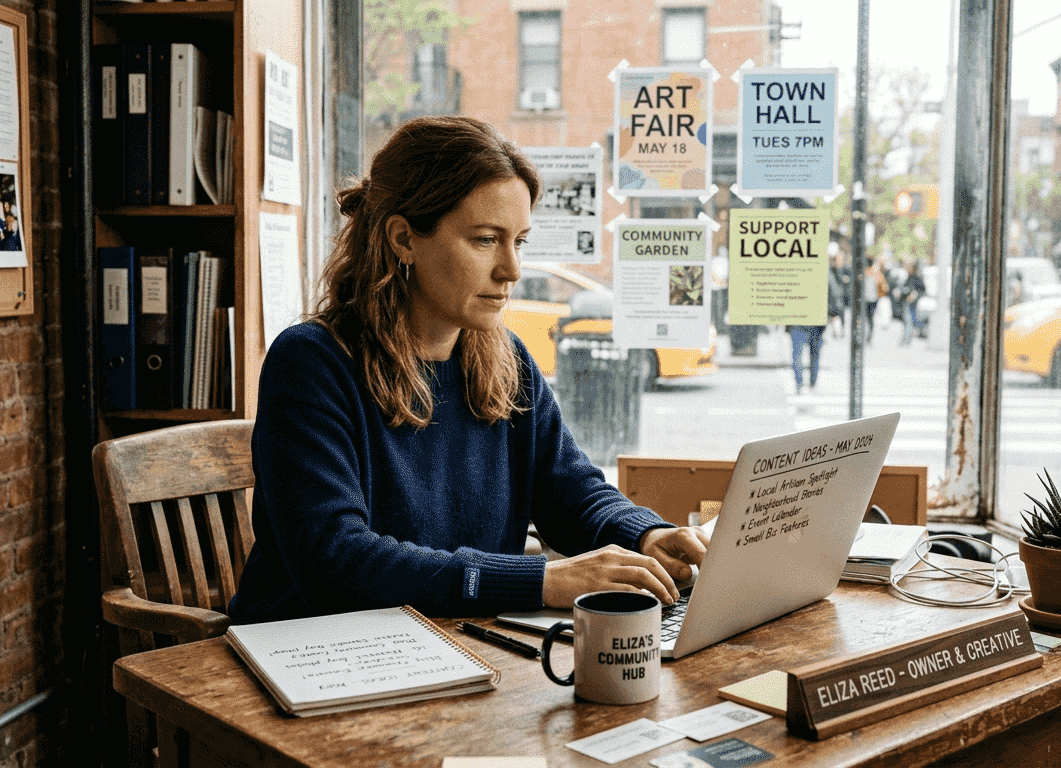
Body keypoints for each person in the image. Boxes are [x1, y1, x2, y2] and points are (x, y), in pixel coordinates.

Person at [227, 116, 708, 624]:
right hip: (313, 658)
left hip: (457, 644)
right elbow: (337, 563)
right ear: (403, 239)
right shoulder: (310, 364)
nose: (512, 270)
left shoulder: (509, 360)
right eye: (485, 240)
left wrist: (645, 535)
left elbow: (568, 490)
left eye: (518, 241)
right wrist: (541, 580)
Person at [787, 324, 824, 394]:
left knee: (797, 355)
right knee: (814, 356)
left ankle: (800, 384)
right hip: (815, 325)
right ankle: (812, 384)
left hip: (798, 324)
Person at [900, 260, 927, 345]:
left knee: (909, 321)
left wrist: (915, 294)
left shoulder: (916, 278)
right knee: (909, 321)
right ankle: (907, 338)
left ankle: (907, 339)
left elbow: (922, 290)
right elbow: (906, 288)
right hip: (907, 302)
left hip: (912, 303)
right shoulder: (909, 277)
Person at [861, 257, 887, 344]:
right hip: (873, 300)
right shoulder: (878, 274)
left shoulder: (864, 272)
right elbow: (884, 288)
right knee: (870, 318)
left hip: (864, 299)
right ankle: (869, 337)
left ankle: (863, 336)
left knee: (863, 318)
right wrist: (880, 295)